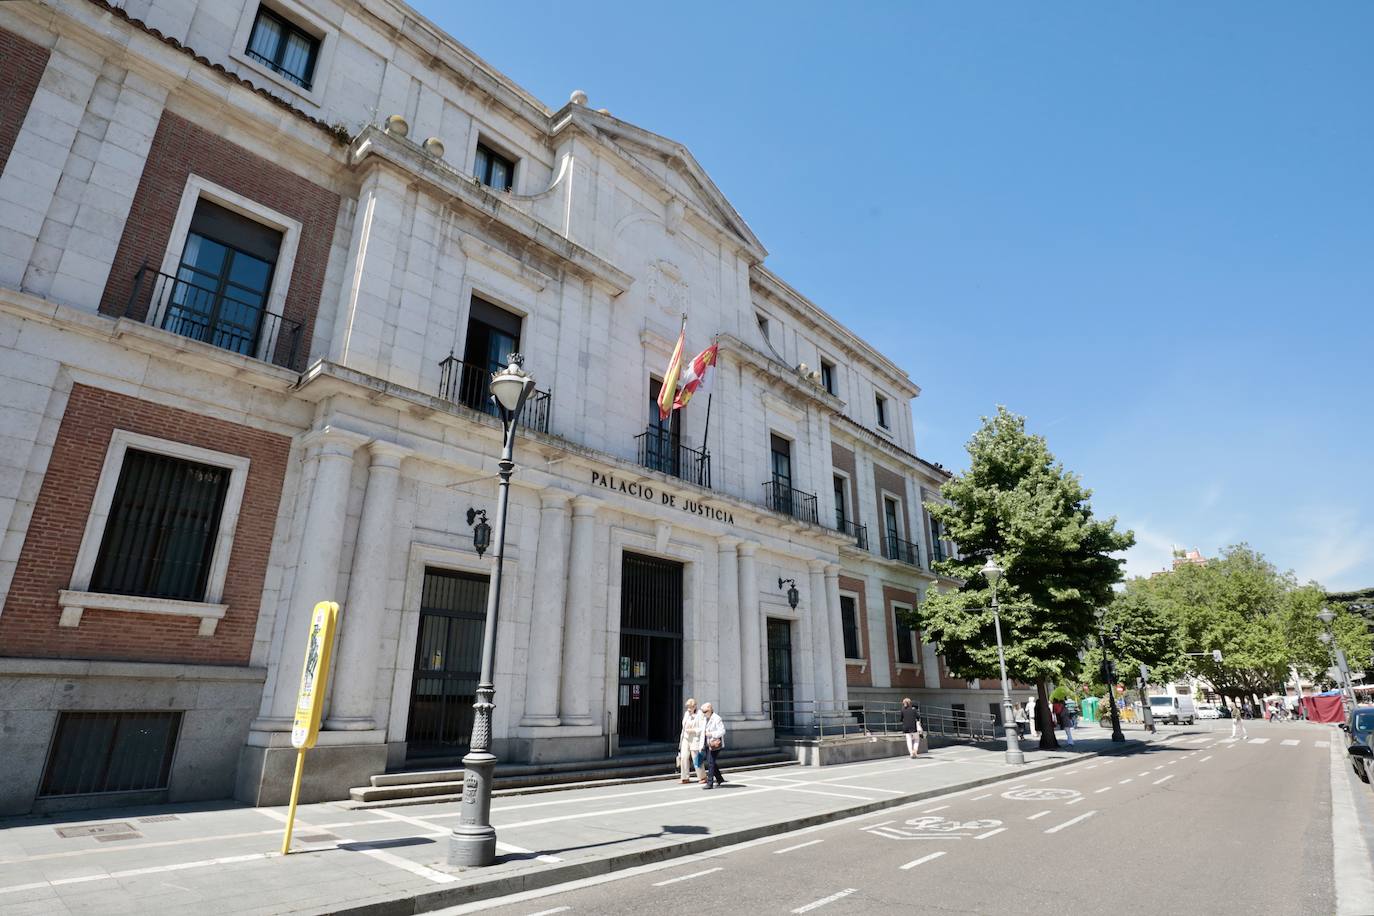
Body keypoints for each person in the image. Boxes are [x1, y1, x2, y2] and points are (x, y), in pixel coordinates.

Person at [700, 702, 726, 789]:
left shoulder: (717, 718)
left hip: (715, 744)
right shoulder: (704, 718)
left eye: (705, 711)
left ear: (710, 710)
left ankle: (710, 783)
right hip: (707, 743)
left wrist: (711, 734)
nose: (703, 713)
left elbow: (722, 731)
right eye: (702, 711)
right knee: (711, 762)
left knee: (711, 762)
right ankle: (719, 778)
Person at [678, 698, 704, 784]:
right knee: (684, 757)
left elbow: (702, 728)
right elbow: (683, 727)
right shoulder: (686, 714)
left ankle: (702, 777)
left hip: (695, 738)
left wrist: (693, 730)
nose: (689, 709)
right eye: (688, 707)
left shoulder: (700, 714)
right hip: (686, 738)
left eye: (691, 707)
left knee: (696, 758)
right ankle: (685, 777)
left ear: (695, 706)